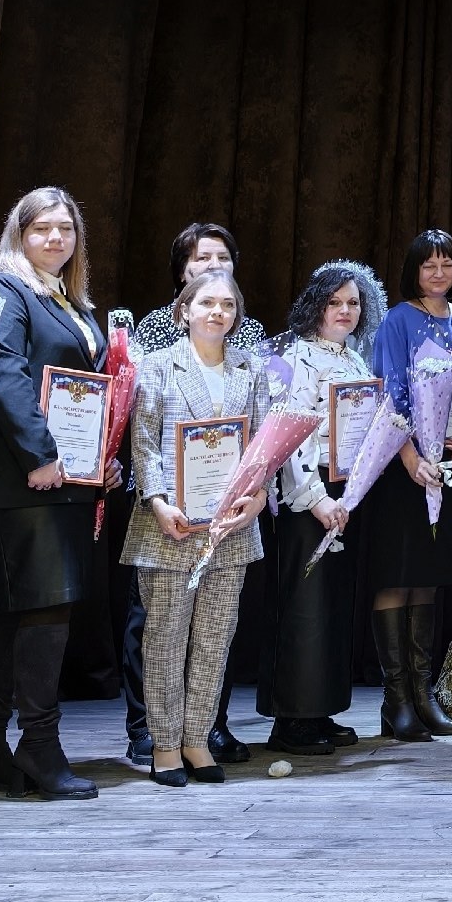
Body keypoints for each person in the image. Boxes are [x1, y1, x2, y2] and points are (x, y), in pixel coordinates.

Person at [0, 186, 107, 802]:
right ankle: (39, 746)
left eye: (65, 230)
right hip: (21, 477)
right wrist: (41, 454)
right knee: (45, 610)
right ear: (19, 234)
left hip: (63, 479)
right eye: (42, 228)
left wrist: (99, 459)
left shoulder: (68, 299)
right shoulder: (6, 289)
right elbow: (3, 373)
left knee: (12, 612)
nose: (55, 239)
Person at [121, 269, 271, 786]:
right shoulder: (158, 366)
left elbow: (263, 447)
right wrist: (158, 502)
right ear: (184, 311)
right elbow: (143, 444)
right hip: (170, 526)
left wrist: (257, 498)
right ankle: (165, 745)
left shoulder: (250, 368)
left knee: (214, 639)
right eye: (207, 303)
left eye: (227, 305)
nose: (217, 312)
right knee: (165, 640)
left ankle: (196, 740)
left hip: (231, 529)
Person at [262, 259, 386, 757]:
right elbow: (289, 432)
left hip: (346, 493)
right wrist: (316, 499)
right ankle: (292, 720)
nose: (345, 310)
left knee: (333, 608)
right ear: (316, 305)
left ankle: (321, 710)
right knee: (305, 609)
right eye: (334, 302)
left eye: (353, 302)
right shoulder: (295, 355)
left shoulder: (355, 359)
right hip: (307, 496)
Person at [364, 228, 452, 741]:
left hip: (448, 469)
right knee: (398, 576)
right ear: (413, 271)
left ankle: (424, 694)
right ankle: (397, 701)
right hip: (402, 467)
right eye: (428, 264)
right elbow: (387, 395)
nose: (438, 273)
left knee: (429, 578)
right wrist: (410, 456)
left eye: (446, 263)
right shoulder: (397, 320)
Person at [133, 222, 270, 351]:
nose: (216, 266)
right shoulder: (156, 324)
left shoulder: (251, 329)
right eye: (203, 258)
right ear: (181, 272)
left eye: (223, 258)